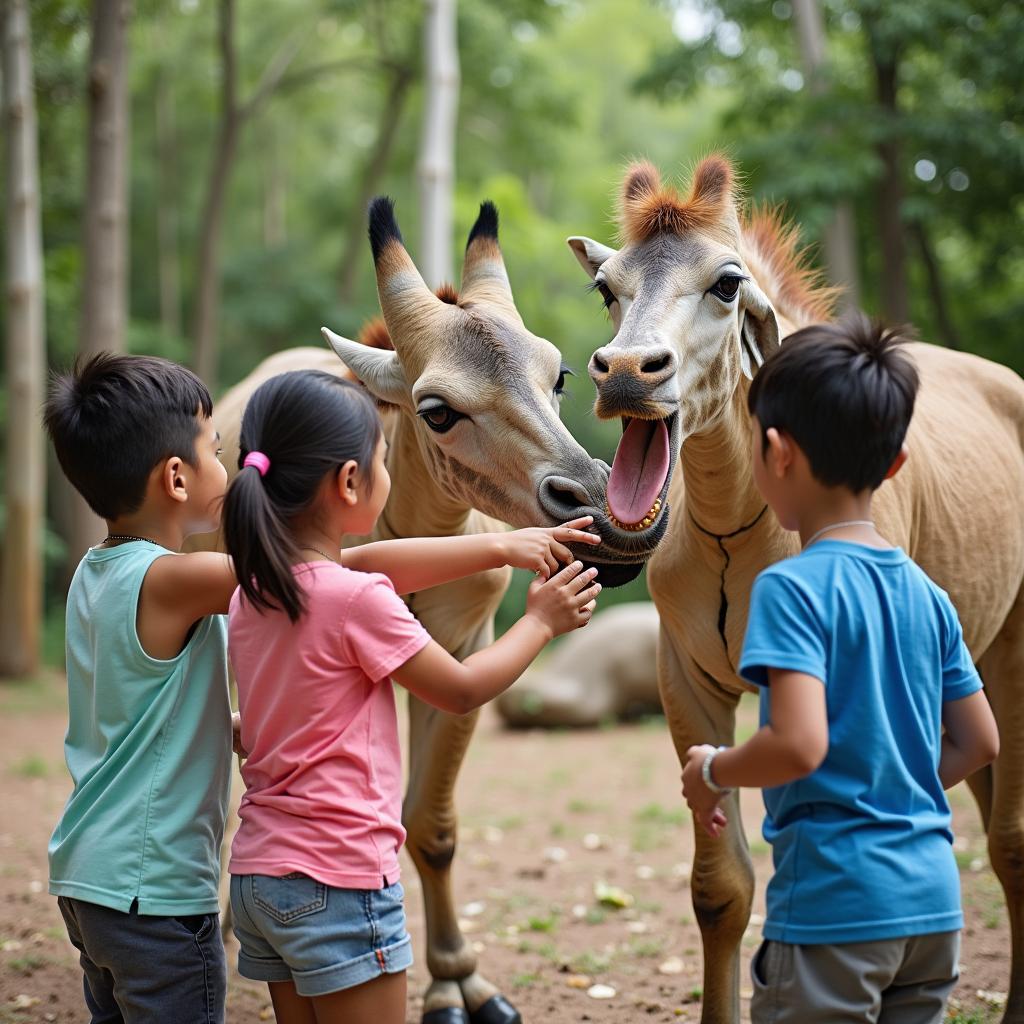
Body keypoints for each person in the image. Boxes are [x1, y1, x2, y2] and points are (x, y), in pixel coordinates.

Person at [220, 369, 603, 1024]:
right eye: (384, 459)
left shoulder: (253, 591)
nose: (388, 472)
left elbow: (366, 564)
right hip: (340, 883)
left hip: (259, 879)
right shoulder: (356, 603)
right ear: (349, 483)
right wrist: (540, 621)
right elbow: (458, 690)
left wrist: (497, 546)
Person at [680, 316, 1000, 1024]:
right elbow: (981, 743)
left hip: (835, 912)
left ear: (774, 453)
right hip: (935, 910)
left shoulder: (791, 588)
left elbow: (798, 745)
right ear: (895, 466)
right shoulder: (929, 593)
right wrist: (892, 783)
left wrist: (713, 771)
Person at [44, 353, 239, 1022]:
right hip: (152, 894)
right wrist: (503, 548)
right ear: (177, 477)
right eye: (216, 449)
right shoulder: (172, 581)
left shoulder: (95, 573)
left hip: (92, 882)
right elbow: (326, 572)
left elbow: (141, 713)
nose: (228, 465)